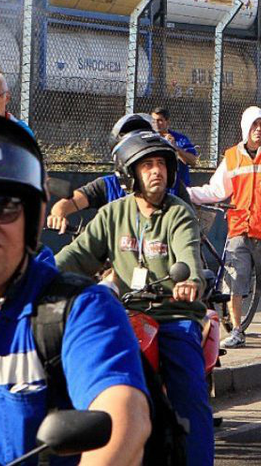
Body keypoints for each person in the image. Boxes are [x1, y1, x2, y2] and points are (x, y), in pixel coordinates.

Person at [55, 130, 213, 466]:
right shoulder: (113, 215)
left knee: (191, 392)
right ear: (130, 174)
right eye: (148, 165)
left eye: (161, 164)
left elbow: (189, 252)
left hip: (174, 313)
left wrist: (191, 282)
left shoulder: (179, 213)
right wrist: (39, 278)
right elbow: (76, 255)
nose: (157, 171)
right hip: (126, 313)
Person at [0, 118, 151, 465]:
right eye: (143, 164)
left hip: (159, 302)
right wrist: (64, 211)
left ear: (31, 216)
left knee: (183, 354)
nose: (151, 171)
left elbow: (122, 420)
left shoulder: (77, 310)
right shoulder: (108, 199)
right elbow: (81, 247)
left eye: (5, 205)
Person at [189, 106, 261, 347]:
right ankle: (237, 330)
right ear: (245, 129)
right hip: (239, 228)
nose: (258, 129)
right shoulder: (232, 156)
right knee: (234, 280)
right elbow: (216, 190)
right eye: (254, 125)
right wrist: (186, 193)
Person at [46, 113, 191, 234]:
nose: (155, 171)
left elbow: (189, 226)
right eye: (145, 163)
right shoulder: (107, 185)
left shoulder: (171, 186)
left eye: (159, 162)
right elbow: (67, 204)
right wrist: (58, 215)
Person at [151, 107, 199, 187]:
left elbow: (193, 161)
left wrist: (175, 147)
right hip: (157, 186)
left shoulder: (180, 139)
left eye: (160, 120)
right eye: (153, 120)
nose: (156, 123)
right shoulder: (147, 139)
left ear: (167, 121)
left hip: (178, 188)